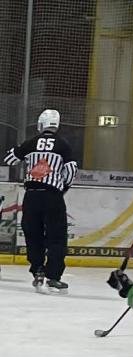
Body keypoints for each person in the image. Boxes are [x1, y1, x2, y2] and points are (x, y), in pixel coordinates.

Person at [3, 109, 77, 292]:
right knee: (56, 237)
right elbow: (71, 171)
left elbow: (10, 159)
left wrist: (24, 152)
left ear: (41, 124)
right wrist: (63, 186)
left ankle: (37, 269)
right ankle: (54, 276)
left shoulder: (31, 142)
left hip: (32, 195)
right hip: (53, 196)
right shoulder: (63, 145)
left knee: (33, 234)